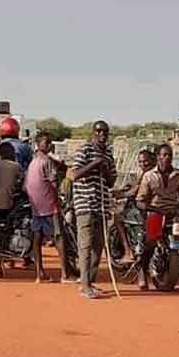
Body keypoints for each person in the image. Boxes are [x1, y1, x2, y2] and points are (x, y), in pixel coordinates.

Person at [136, 144, 179, 291]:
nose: (167, 158)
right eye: (164, 155)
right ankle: (142, 269)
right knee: (150, 242)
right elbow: (140, 201)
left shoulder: (178, 176)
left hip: (174, 212)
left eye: (169, 155)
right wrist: (154, 208)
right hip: (156, 212)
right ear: (158, 157)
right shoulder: (148, 176)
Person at [71, 121, 117, 299]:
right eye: (99, 131)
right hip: (85, 203)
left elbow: (111, 181)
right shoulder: (85, 150)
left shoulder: (108, 154)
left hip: (102, 205)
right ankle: (84, 285)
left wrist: (105, 169)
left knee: (98, 246)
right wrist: (94, 163)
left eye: (105, 132)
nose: (103, 134)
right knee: (86, 245)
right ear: (93, 133)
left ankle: (89, 281)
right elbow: (74, 174)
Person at [24, 132, 75, 284]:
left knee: (37, 239)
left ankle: (40, 274)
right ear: (39, 144)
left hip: (36, 207)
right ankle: (65, 274)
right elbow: (54, 184)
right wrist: (58, 200)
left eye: (50, 142)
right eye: (46, 142)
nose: (49, 145)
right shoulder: (47, 162)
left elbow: (26, 186)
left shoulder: (33, 163)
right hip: (49, 206)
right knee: (59, 237)